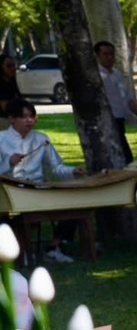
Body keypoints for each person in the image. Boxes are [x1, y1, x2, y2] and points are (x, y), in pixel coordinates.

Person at [1, 100, 84, 264]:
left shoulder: (41, 139)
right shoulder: (1, 139)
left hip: (38, 190)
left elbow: (56, 167)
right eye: (24, 117)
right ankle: (19, 251)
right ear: (11, 119)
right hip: (9, 192)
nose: (29, 120)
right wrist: (8, 163)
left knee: (75, 203)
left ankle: (54, 247)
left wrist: (73, 171)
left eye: (32, 117)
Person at [96, 40, 137, 162]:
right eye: (105, 54)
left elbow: (128, 100)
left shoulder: (117, 74)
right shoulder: (96, 76)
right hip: (105, 121)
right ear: (97, 56)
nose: (110, 57)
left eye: (111, 54)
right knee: (120, 155)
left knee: (124, 155)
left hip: (119, 120)